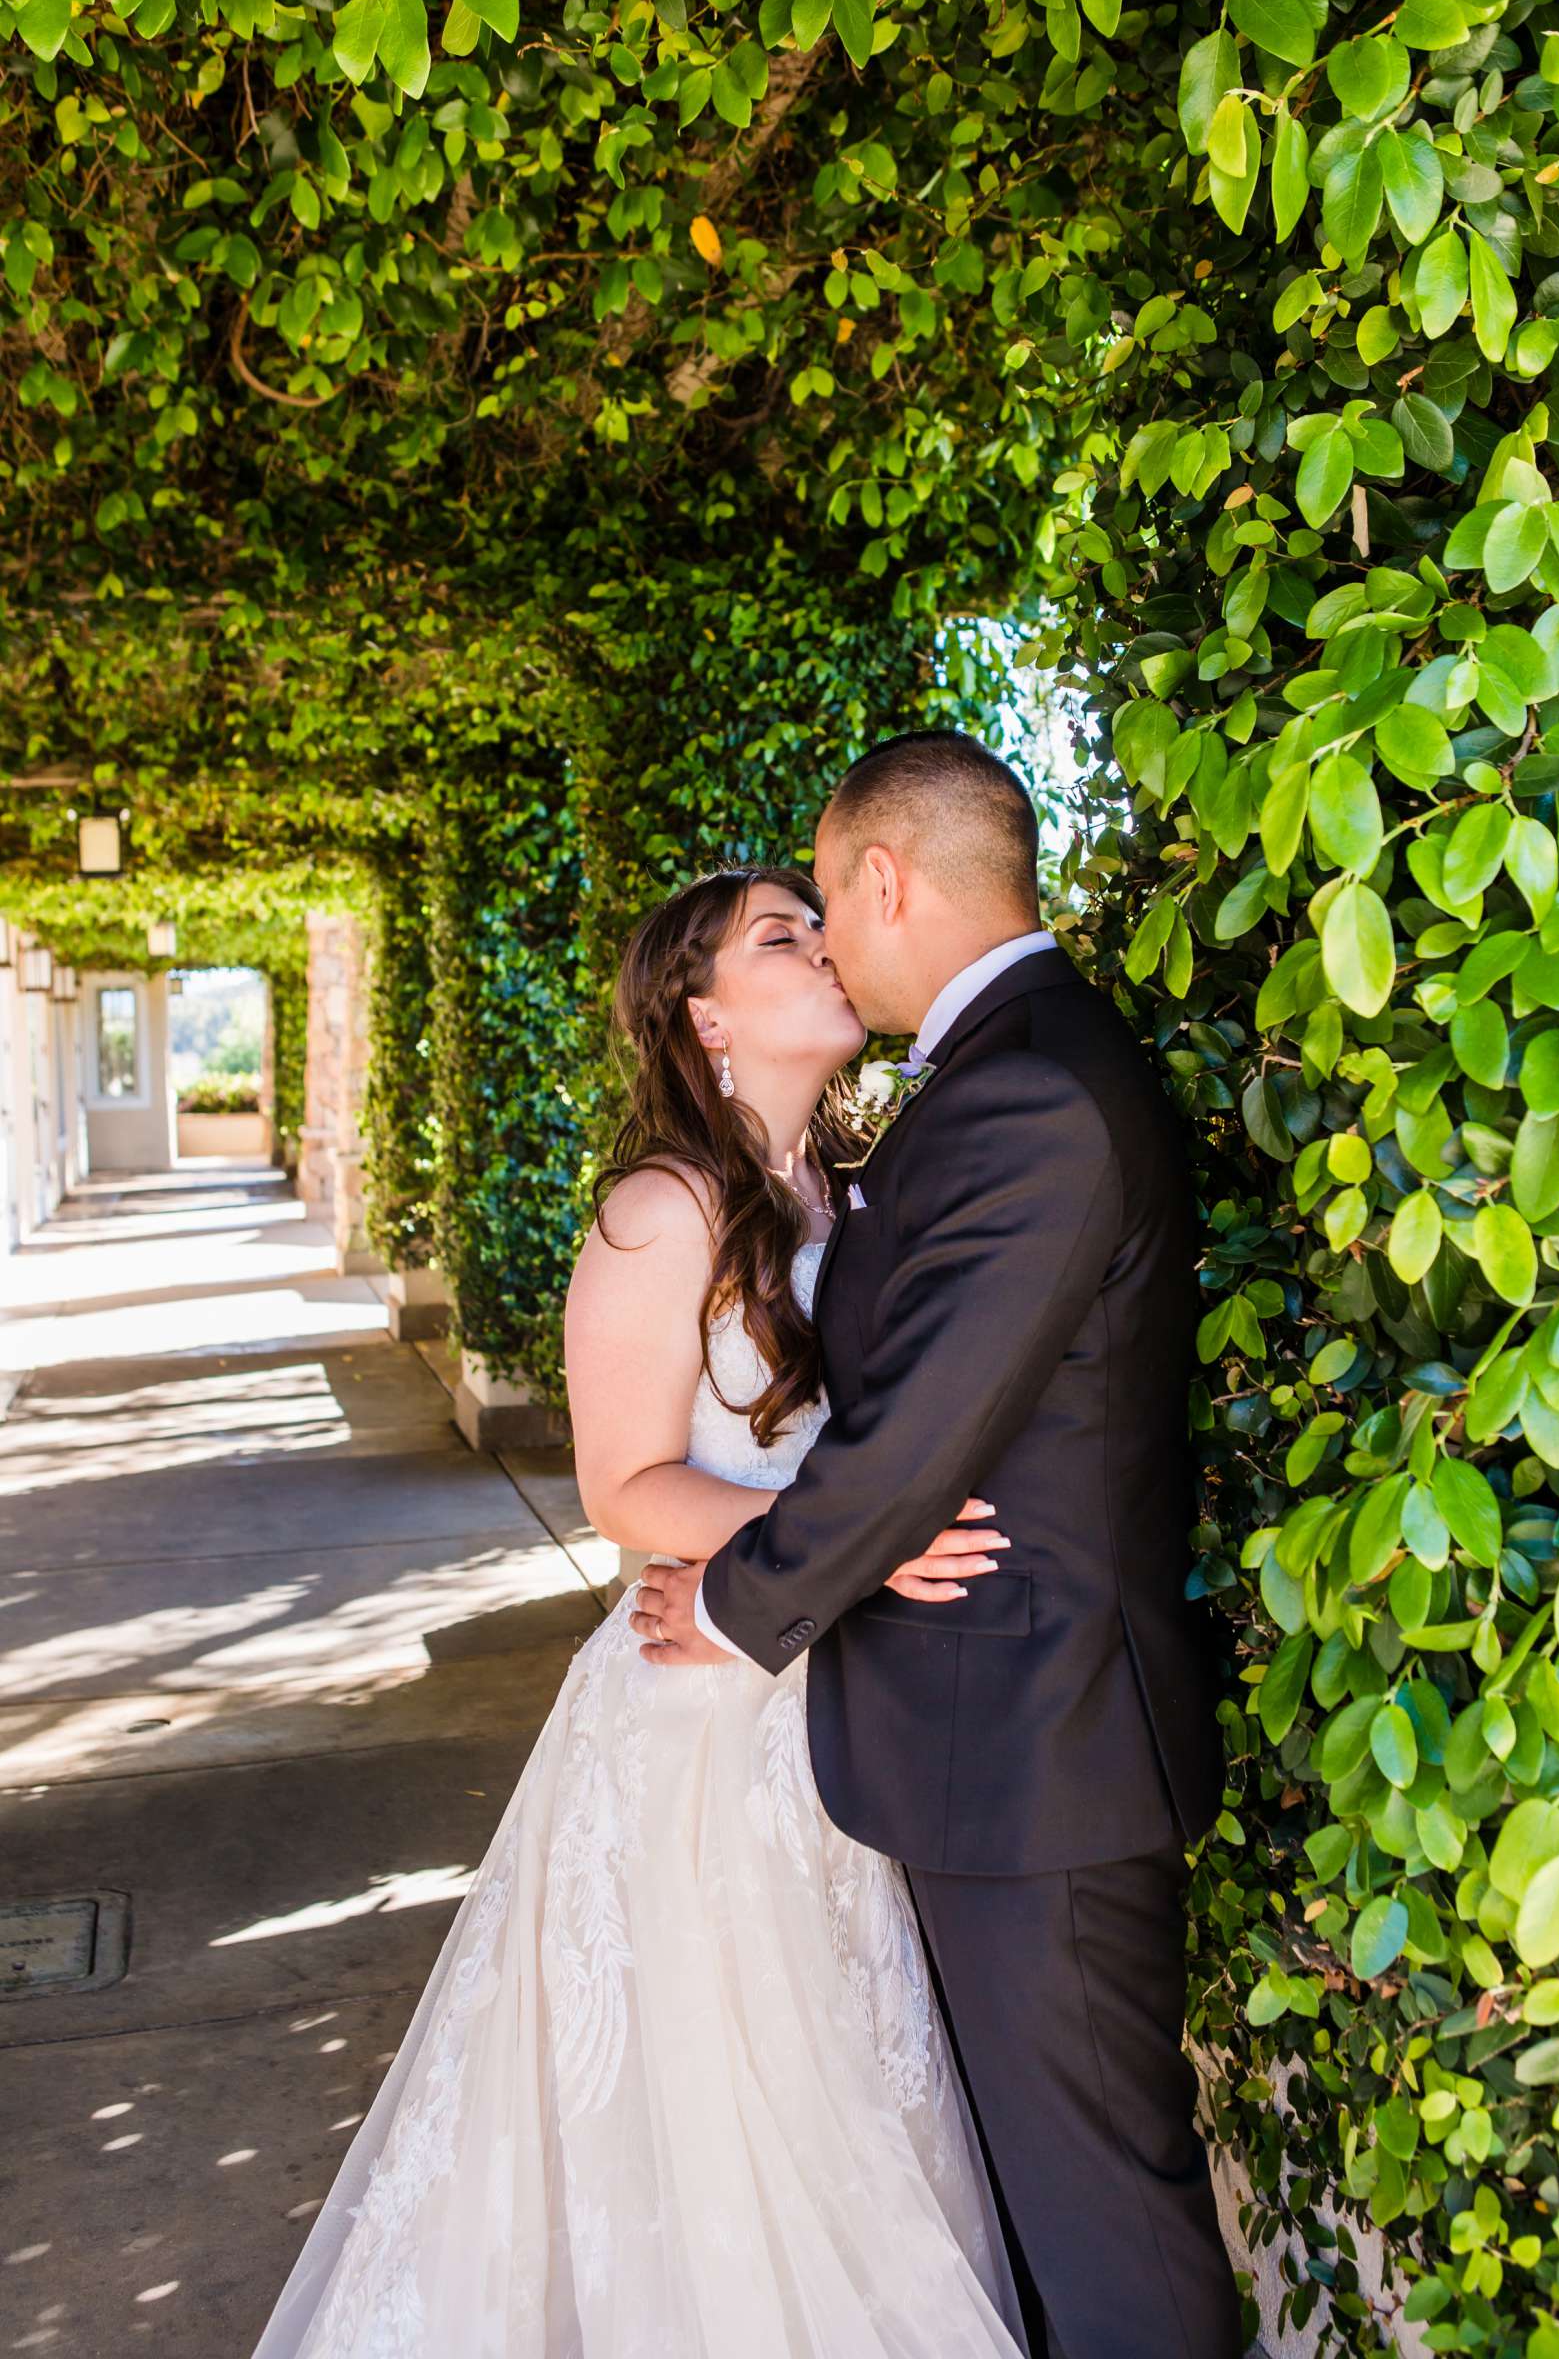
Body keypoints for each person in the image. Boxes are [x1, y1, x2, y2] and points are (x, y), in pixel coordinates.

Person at [247, 862, 1028, 2359]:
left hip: (831, 1699)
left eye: (820, 923)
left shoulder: (849, 1183)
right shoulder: (661, 1207)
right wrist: (860, 1544)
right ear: (702, 1012)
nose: (820, 946)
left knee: (843, 2090)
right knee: (716, 2118)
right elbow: (626, 1487)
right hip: (698, 1723)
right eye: (778, 937)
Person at [632, 732, 1243, 2359]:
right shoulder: (999, 1073)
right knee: (1044, 2214)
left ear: (886, 880)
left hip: (1039, 1749)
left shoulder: (1028, 1088)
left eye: (825, 899)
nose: (826, 935)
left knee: (1107, 2228)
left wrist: (739, 1599)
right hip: (998, 1741)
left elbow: (915, 1439)